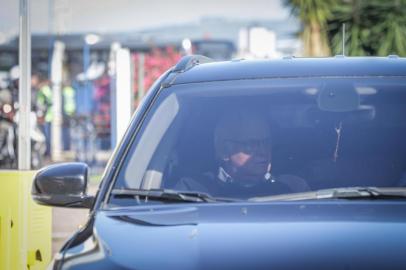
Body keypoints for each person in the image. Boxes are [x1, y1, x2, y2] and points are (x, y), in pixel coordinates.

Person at [176, 109, 310, 199]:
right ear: (224, 151)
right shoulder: (193, 191)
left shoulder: (293, 189)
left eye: (266, 142)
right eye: (251, 145)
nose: (263, 151)